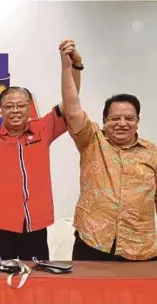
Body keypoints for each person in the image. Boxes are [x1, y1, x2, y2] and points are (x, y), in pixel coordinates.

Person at [0, 36, 82, 261]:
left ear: (30, 106)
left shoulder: (43, 129)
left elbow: (70, 103)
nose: (15, 110)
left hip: (35, 225)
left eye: (20, 105)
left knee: (36, 288)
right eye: (9, 106)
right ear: (0, 109)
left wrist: (72, 66)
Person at [59, 43, 157, 261]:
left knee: (142, 297)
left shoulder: (152, 153)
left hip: (141, 249)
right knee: (87, 296)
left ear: (137, 122)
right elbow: (72, 108)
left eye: (129, 118)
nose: (122, 123)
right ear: (104, 121)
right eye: (115, 118)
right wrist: (71, 66)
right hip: (92, 243)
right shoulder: (92, 141)